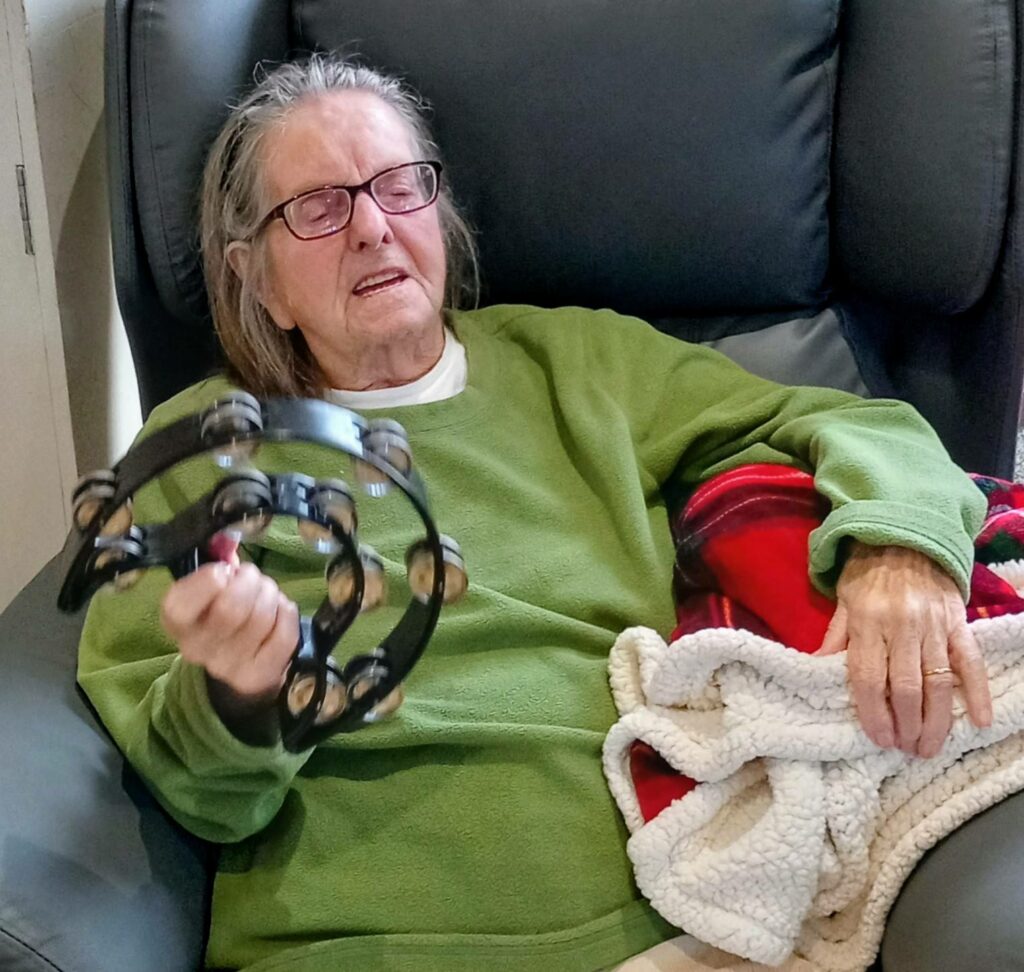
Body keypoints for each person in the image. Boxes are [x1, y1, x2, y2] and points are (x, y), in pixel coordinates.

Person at [77, 54, 993, 972]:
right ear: (259, 279)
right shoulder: (199, 453)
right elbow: (197, 795)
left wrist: (898, 553)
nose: (372, 227)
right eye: (318, 208)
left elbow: (852, 423)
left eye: (400, 185)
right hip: (351, 946)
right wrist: (238, 694)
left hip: (670, 930)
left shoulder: (581, 363)